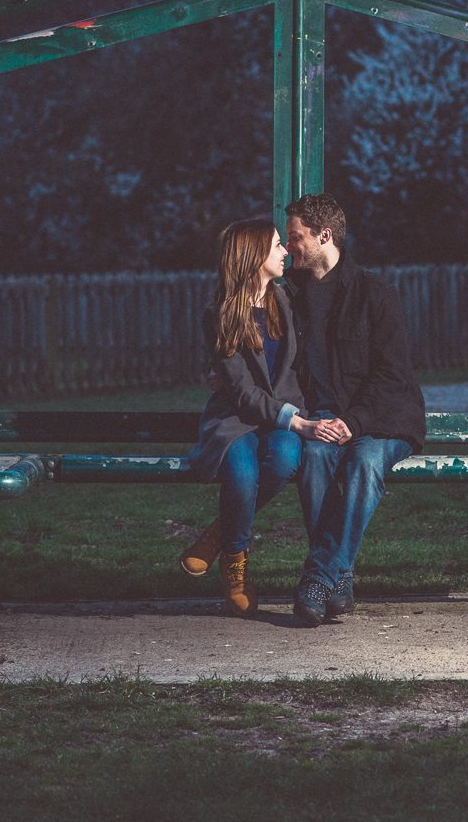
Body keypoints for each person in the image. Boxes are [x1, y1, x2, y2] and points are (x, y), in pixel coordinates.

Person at [179, 217, 349, 615]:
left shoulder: (288, 298)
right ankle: (236, 565)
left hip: (283, 418)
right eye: (277, 245)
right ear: (254, 256)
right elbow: (240, 392)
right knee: (241, 474)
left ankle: (219, 535)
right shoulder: (220, 313)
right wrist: (298, 421)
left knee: (287, 459)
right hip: (238, 417)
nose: (285, 251)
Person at [282, 193, 427, 626]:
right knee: (313, 459)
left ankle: (319, 575)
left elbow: (392, 375)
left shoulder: (374, 293)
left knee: (364, 462)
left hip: (382, 420)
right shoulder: (291, 296)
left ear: (324, 235)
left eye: (296, 238)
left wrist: (354, 422)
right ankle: (339, 578)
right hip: (325, 416)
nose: (289, 248)